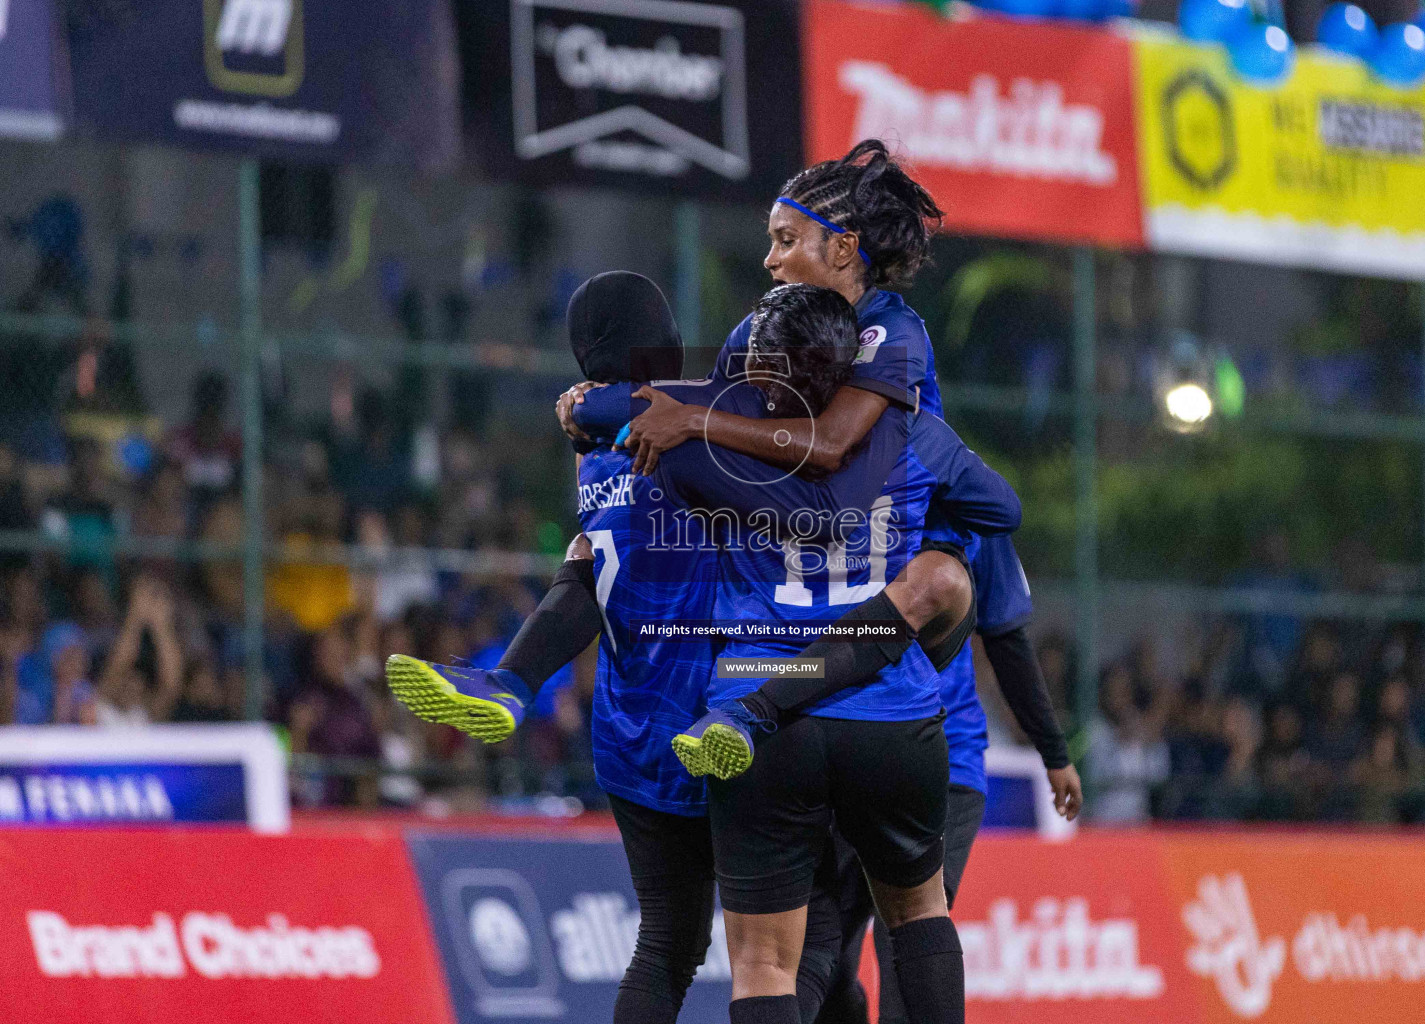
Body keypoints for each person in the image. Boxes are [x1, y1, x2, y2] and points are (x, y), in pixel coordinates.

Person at [563, 139, 1080, 1021]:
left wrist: (612, 407)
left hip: (768, 696)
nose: (768, 260)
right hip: (894, 707)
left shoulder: (885, 334)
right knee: (900, 917)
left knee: (770, 955)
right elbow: (990, 500)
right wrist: (947, 515)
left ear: (843, 247)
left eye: (784, 239)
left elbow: (799, 439)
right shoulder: (898, 428)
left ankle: (746, 707)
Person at [386, 273, 846, 1024]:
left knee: (666, 944)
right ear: (659, 338)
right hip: (733, 711)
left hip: (632, 729)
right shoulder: (694, 426)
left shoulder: (594, 454)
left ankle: (510, 680)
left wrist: (581, 405)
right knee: (802, 941)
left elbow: (588, 565)